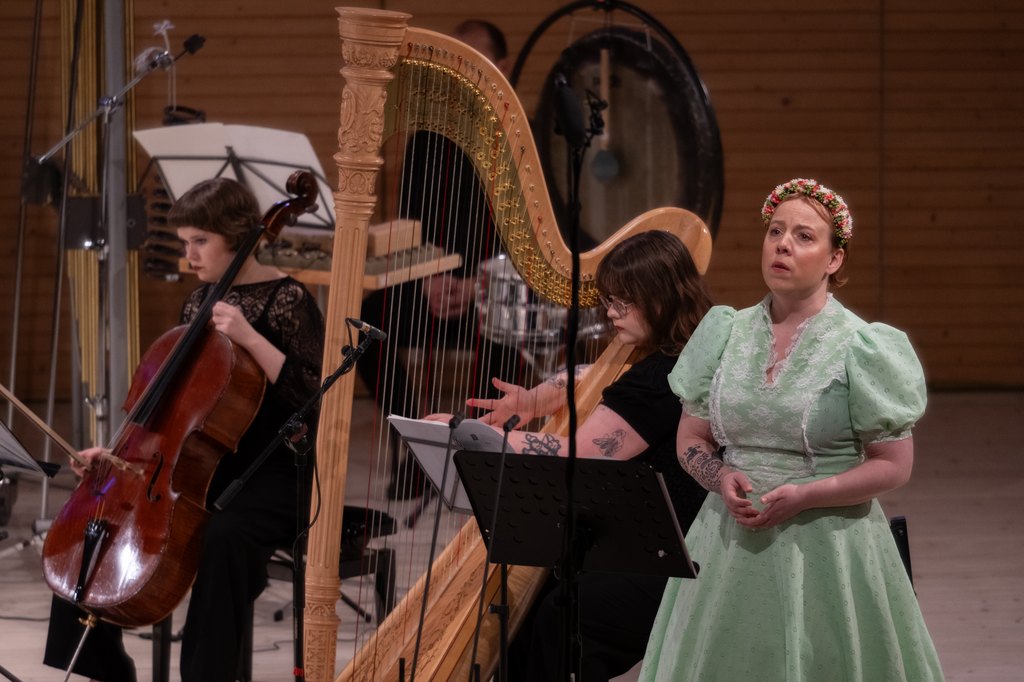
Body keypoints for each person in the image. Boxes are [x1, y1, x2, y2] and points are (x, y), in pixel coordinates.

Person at [639, 179, 944, 680]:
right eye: (776, 231)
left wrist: (807, 494)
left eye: (804, 236)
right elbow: (691, 439)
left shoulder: (863, 347)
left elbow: (894, 466)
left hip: (828, 545)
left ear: (834, 260)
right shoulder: (724, 332)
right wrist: (718, 477)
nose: (782, 243)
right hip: (727, 542)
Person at [43, 177, 325, 682]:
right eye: (184, 242)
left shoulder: (289, 299)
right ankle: (104, 667)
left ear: (236, 236)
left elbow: (314, 398)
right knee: (92, 523)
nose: (189, 254)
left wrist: (249, 338)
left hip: (268, 472)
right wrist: (114, 455)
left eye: (200, 241)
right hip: (194, 465)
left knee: (224, 537)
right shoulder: (197, 303)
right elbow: (175, 407)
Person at [453, 229, 714, 681]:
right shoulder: (685, 350)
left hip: (675, 556)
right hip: (643, 541)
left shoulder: (663, 378)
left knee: (560, 614)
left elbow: (576, 453)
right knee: (533, 603)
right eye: (609, 300)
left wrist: (465, 435)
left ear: (661, 295)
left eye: (623, 302)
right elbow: (589, 372)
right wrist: (537, 398)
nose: (611, 312)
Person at [357, 19, 523, 499]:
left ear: (503, 67)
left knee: (505, 327)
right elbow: (412, 227)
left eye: (477, 62)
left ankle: (478, 458)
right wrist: (428, 279)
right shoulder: (426, 139)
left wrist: (477, 286)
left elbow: (524, 246)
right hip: (432, 285)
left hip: (493, 289)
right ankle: (415, 454)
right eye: (458, 62)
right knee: (370, 322)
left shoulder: (513, 141)